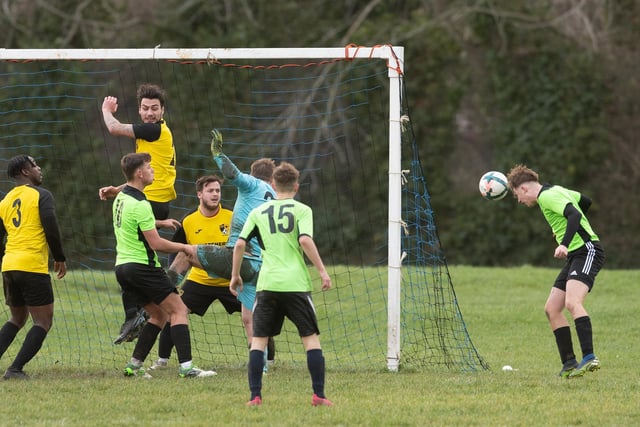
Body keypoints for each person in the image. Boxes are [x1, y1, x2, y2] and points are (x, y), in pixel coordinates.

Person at [168, 129, 276, 367]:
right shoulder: (274, 196)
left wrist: (218, 153)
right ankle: (263, 365)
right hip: (261, 266)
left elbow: (232, 173)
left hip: (242, 259)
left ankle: (162, 291)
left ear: (254, 175)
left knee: (187, 252)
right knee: (249, 318)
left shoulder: (251, 184)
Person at [230, 161, 333, 406]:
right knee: (310, 340)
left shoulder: (258, 212)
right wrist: (322, 271)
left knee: (258, 341)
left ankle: (255, 396)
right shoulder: (302, 210)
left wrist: (235, 275)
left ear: (274, 184)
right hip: (296, 283)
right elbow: (305, 240)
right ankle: (318, 394)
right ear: (296, 186)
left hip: (267, 284)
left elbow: (240, 244)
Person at [112, 152, 214, 378]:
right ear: (139, 173)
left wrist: (159, 222)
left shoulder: (122, 199)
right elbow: (156, 243)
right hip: (143, 267)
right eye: (149, 167)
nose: (153, 171)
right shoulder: (140, 203)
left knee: (159, 315)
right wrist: (184, 248)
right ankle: (187, 368)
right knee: (178, 310)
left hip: (123, 268)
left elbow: (134, 223)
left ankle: (134, 367)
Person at [98, 83, 179, 345]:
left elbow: (113, 128)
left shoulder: (154, 130)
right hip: (148, 200)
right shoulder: (147, 135)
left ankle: (136, 313)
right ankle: (141, 312)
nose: (149, 113)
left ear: (162, 110)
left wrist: (106, 109)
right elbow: (142, 176)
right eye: (145, 108)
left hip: (151, 203)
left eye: (154, 108)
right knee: (133, 259)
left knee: (131, 260)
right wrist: (117, 189)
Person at [506, 164, 605, 379]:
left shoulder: (548, 196)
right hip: (575, 255)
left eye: (516, 196)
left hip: (587, 251)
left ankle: (589, 357)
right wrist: (565, 230)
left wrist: (565, 242)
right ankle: (569, 363)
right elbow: (585, 201)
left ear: (523, 189)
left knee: (572, 302)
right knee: (552, 308)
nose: (520, 201)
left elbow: (573, 215)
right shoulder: (556, 190)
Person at [149, 174, 249, 370]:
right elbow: (178, 251)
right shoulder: (188, 220)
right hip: (199, 281)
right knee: (174, 312)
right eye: (210, 191)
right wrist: (173, 282)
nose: (215, 194)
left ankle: (268, 360)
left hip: (230, 281)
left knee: (258, 313)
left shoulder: (233, 217)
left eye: (218, 191)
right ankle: (162, 360)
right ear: (199, 194)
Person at [0, 155, 67, 379]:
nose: (40, 168)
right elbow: (50, 226)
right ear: (26, 172)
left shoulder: (5, 200)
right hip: (31, 266)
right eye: (35, 165)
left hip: (9, 265)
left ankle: (13, 367)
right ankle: (15, 369)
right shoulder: (41, 195)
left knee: (17, 319)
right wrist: (59, 256)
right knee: (43, 321)